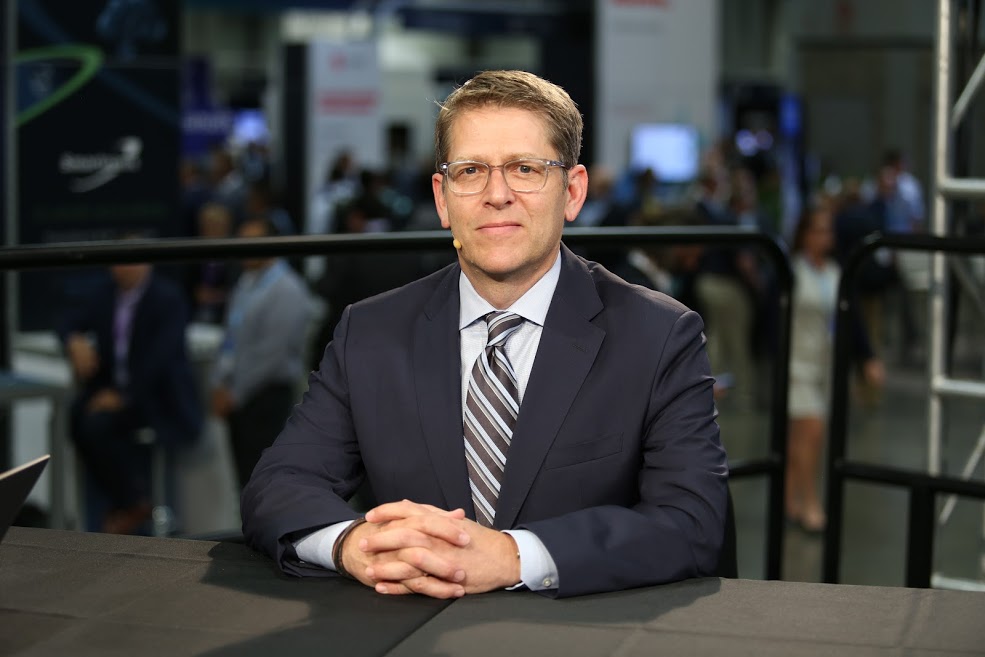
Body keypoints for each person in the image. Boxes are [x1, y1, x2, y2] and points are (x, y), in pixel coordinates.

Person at [241, 70, 727, 599]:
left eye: (525, 169)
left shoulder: (658, 336)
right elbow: (279, 483)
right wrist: (353, 544)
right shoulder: (371, 332)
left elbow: (691, 523)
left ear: (573, 192)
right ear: (442, 198)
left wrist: (513, 556)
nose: (497, 195)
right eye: (470, 171)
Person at [60, 260, 202, 534]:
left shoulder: (167, 298)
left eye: (133, 261)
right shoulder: (104, 294)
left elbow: (160, 360)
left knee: (97, 425)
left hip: (157, 398)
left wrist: (123, 396)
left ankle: (132, 501)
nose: (125, 268)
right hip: (114, 390)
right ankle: (126, 501)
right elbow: (67, 320)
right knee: (76, 415)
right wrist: (73, 340)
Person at [786, 206, 883, 533]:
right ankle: (810, 502)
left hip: (825, 366)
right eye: (817, 230)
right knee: (811, 431)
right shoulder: (791, 271)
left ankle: (788, 497)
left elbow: (851, 318)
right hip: (796, 366)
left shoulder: (834, 272)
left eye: (828, 230)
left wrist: (867, 358)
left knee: (802, 439)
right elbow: (772, 320)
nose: (824, 237)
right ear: (804, 234)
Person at [210, 217, 314, 490]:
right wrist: (220, 382)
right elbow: (231, 336)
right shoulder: (246, 282)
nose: (246, 247)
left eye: (253, 240)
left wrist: (235, 393)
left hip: (267, 396)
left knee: (264, 481)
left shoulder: (288, 289)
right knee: (244, 479)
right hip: (240, 395)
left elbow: (272, 354)